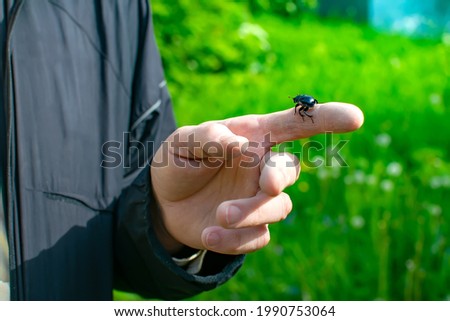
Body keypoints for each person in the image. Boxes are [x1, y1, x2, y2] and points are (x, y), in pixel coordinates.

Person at [0, 0, 363, 300]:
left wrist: (161, 221)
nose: (301, 107)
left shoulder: (116, 9)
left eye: (301, 106)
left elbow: (109, 218)